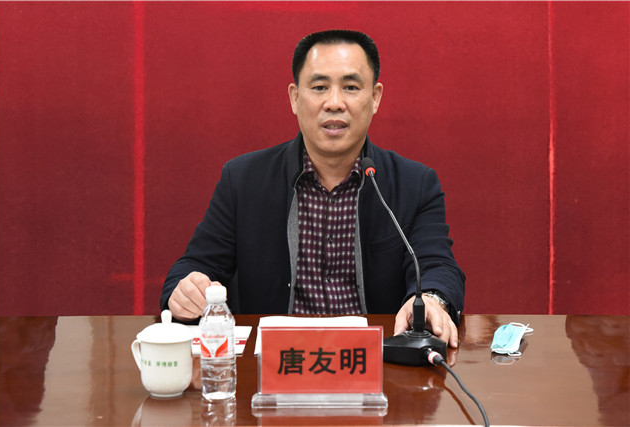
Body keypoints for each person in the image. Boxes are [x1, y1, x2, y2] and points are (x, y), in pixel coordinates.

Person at [161, 29, 465, 348]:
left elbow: (438, 266)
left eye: (350, 87)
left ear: (375, 98)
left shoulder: (414, 183)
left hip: (379, 365)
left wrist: (432, 300)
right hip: (272, 366)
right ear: (295, 97)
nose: (334, 103)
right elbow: (193, 267)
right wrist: (185, 291)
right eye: (319, 87)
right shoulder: (243, 180)